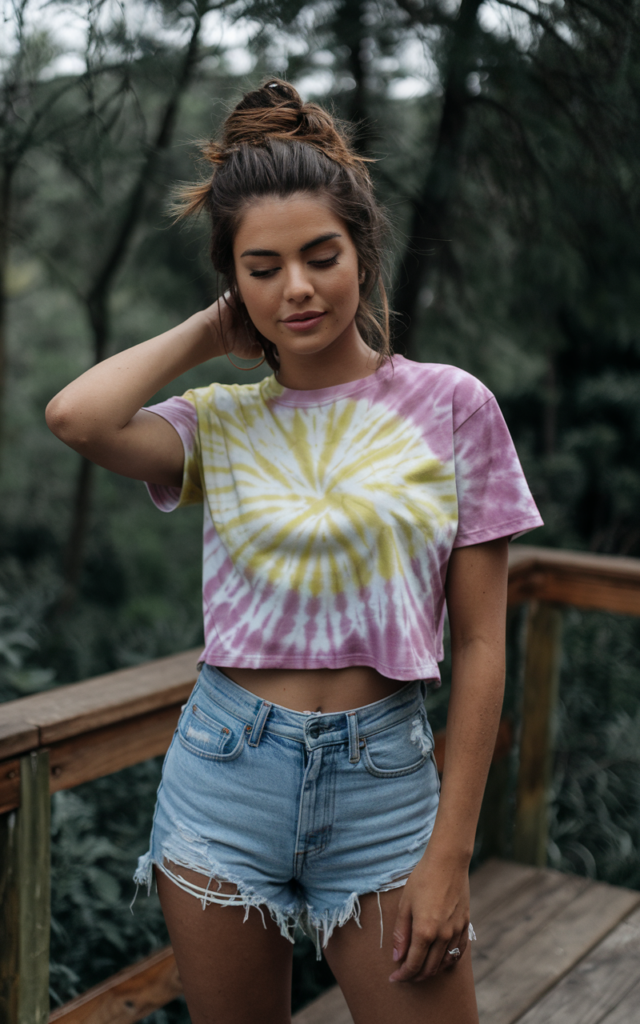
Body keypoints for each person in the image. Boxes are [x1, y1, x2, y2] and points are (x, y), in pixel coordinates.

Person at [46, 78, 542, 1024]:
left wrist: (450, 855)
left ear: (364, 250)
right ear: (235, 283)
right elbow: (76, 416)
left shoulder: (452, 405)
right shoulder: (220, 422)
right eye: (264, 268)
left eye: (321, 256)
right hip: (224, 774)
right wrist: (207, 333)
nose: (298, 289)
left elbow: (480, 646)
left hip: (386, 787)